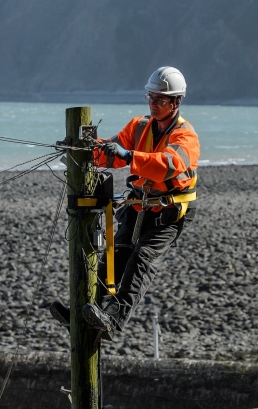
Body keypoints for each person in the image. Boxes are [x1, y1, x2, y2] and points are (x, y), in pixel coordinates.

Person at [45, 66, 199, 340]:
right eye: (150, 97)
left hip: (168, 213)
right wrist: (83, 150)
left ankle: (114, 321)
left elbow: (169, 165)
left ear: (176, 102)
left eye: (159, 99)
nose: (152, 103)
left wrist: (129, 156)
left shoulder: (185, 136)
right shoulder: (139, 126)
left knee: (142, 260)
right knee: (113, 260)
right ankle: (84, 313)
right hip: (138, 207)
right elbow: (112, 153)